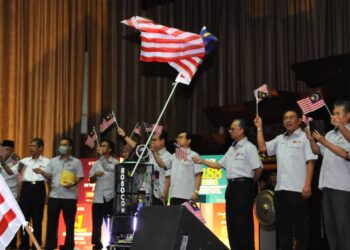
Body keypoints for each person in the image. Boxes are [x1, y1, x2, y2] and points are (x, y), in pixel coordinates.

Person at [193, 119, 263, 250]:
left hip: (243, 187)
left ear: (241, 130)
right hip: (231, 187)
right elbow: (219, 165)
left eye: (232, 128)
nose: (230, 131)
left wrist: (250, 182)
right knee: (232, 223)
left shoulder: (249, 147)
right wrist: (201, 161)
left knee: (243, 223)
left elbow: (258, 168)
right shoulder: (232, 148)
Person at [254, 110, 317, 250]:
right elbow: (262, 147)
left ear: (299, 120)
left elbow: (311, 162)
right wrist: (259, 128)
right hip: (280, 190)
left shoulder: (305, 137)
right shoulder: (279, 138)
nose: (288, 120)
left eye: (291, 118)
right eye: (285, 118)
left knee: (301, 229)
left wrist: (307, 185)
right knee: (283, 229)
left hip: (298, 190)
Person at [306, 100, 350, 250]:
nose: (334, 116)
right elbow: (317, 152)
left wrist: (323, 141)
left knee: (343, 228)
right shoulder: (331, 133)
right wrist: (312, 140)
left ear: (347, 116)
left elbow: (345, 153)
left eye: (338, 113)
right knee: (330, 229)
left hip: (342, 188)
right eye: (333, 113)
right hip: (326, 187)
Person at [44, 137, 84, 250]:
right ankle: (50, 245)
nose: (61, 147)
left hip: (69, 197)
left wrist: (73, 183)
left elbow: (80, 177)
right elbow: (48, 176)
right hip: (54, 196)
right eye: (61, 144)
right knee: (51, 223)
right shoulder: (53, 161)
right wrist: (42, 172)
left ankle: (69, 246)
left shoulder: (76, 162)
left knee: (69, 224)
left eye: (65, 144)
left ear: (70, 147)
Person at [117, 127, 171, 205]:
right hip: (147, 193)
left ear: (162, 141)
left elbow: (167, 173)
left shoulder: (168, 156)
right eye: (151, 140)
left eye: (154, 140)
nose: (151, 142)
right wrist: (124, 136)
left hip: (160, 194)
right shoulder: (149, 152)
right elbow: (137, 147)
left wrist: (165, 192)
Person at [15, 138, 50, 250]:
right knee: (24, 219)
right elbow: (17, 178)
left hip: (39, 189)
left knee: (37, 219)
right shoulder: (24, 161)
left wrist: (48, 194)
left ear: (40, 148)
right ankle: (24, 245)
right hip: (25, 189)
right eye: (30, 146)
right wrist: (18, 194)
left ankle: (36, 245)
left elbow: (50, 179)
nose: (31, 148)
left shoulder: (47, 162)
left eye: (34, 146)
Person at [89, 139, 118, 250]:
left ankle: (113, 242)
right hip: (98, 197)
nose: (101, 147)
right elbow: (91, 180)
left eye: (104, 146)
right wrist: (95, 175)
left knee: (111, 221)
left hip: (110, 196)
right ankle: (97, 244)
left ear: (110, 149)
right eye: (101, 145)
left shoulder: (115, 163)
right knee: (96, 223)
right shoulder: (96, 163)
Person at [165, 131, 202, 205]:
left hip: (187, 196)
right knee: (175, 216)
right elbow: (163, 164)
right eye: (177, 138)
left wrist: (196, 192)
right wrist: (154, 152)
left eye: (181, 137)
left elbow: (198, 175)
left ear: (188, 141)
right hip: (174, 195)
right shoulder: (174, 155)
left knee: (186, 216)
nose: (178, 139)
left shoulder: (194, 155)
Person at [0, 140, 20, 249]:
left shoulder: (17, 161)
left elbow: (11, 173)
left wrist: (2, 163)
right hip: (1, 197)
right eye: (3, 149)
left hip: (12, 197)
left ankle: (11, 245)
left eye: (7, 149)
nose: (5, 152)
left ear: (12, 150)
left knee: (12, 221)